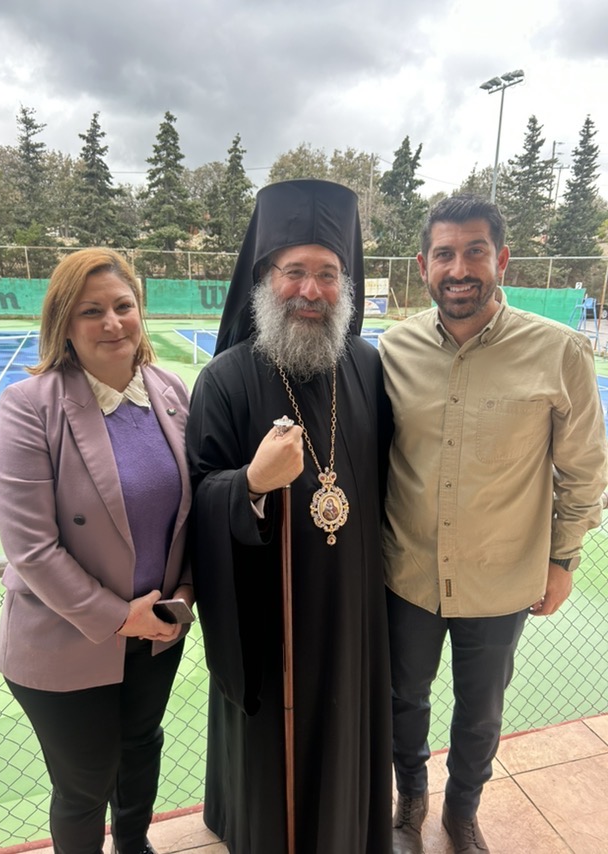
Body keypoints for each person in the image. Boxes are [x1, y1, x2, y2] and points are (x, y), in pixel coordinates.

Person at [379, 194, 608, 854]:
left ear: (501, 259)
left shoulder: (559, 352)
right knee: (403, 701)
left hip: (502, 578)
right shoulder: (391, 351)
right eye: (445, 255)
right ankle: (409, 803)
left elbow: (584, 471)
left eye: (475, 252)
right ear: (423, 266)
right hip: (407, 574)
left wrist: (562, 560)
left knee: (480, 713)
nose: (460, 269)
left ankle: (463, 811)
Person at [186, 179, 393, 854]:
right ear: (264, 278)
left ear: (346, 284)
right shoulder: (223, 379)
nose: (311, 290)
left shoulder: (370, 368)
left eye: (328, 274)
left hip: (352, 608)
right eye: (294, 271)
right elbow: (197, 498)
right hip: (269, 613)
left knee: (346, 720)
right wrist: (249, 484)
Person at [0, 248, 194, 854]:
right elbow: (31, 548)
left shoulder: (169, 390)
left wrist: (182, 595)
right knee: (86, 785)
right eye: (90, 311)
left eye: (123, 306)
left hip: (156, 633)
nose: (112, 323)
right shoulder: (30, 405)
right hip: (65, 639)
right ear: (64, 323)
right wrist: (119, 617)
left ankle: (135, 846)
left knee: (140, 754)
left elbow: (193, 511)